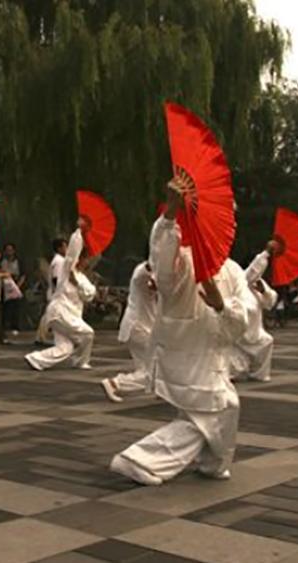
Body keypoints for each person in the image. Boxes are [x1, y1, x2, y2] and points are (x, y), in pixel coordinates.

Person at [109, 175, 248, 486]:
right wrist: (170, 214)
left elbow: (244, 318)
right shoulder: (183, 260)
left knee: (208, 412)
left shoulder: (233, 270)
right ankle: (140, 458)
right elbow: (164, 273)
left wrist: (221, 304)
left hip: (214, 356)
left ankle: (212, 463)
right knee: (223, 406)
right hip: (186, 353)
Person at [25, 223, 96, 371]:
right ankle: (80, 361)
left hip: (69, 315)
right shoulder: (66, 269)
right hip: (61, 312)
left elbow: (89, 294)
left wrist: (77, 283)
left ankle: (35, 359)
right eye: (84, 258)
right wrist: (79, 232)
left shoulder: (81, 278)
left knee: (65, 348)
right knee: (88, 333)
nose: (86, 262)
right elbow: (71, 254)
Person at [101, 260, 157, 402]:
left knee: (148, 367)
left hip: (139, 326)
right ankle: (115, 383)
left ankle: (160, 391)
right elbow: (153, 281)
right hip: (139, 327)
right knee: (153, 369)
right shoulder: (142, 272)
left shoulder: (149, 274)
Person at [229, 242, 280, 382]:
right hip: (241, 329)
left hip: (255, 329)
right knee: (237, 369)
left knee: (267, 342)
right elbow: (253, 271)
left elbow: (270, 302)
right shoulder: (241, 279)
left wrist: (264, 292)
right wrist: (266, 253)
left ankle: (259, 374)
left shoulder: (259, 283)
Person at [35, 238, 67, 344]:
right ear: (59, 248)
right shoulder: (59, 261)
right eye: (64, 246)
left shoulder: (58, 260)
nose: (66, 249)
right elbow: (56, 278)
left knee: (50, 315)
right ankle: (41, 337)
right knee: (50, 315)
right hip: (57, 293)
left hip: (55, 292)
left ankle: (41, 337)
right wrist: (58, 292)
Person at [0, 242, 24, 334]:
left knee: (16, 307)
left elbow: (23, 274)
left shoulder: (18, 261)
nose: (9, 252)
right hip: (5, 285)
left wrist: (18, 286)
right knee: (6, 307)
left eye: (11, 250)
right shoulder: (2, 261)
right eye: (7, 250)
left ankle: (15, 326)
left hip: (15, 284)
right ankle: (6, 325)